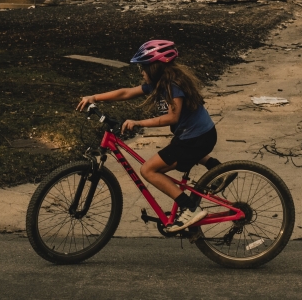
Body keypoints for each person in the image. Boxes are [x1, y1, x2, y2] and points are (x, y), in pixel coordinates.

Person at [76, 39, 230, 233]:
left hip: (196, 138)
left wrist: (139, 122)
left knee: (149, 170)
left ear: (155, 67)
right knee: (178, 151)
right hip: (196, 136)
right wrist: (94, 97)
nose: (141, 72)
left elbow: (172, 116)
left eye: (143, 67)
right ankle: (216, 169)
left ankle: (190, 208)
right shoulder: (160, 83)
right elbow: (126, 93)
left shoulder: (173, 85)